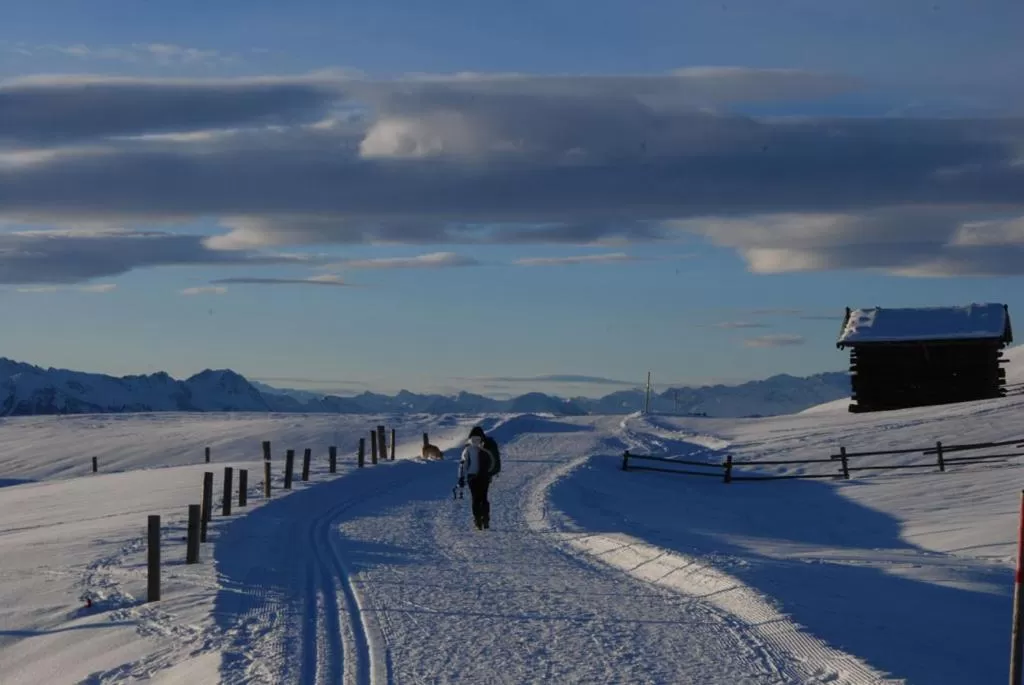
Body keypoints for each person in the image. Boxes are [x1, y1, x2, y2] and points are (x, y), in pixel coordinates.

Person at [458, 426, 499, 530]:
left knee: (475, 499)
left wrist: (461, 477)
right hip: (485, 476)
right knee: (484, 497)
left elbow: (463, 464)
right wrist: (490, 473)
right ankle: (486, 518)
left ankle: (477, 520)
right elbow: (493, 461)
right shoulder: (486, 446)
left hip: (472, 477)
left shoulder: (468, 448)